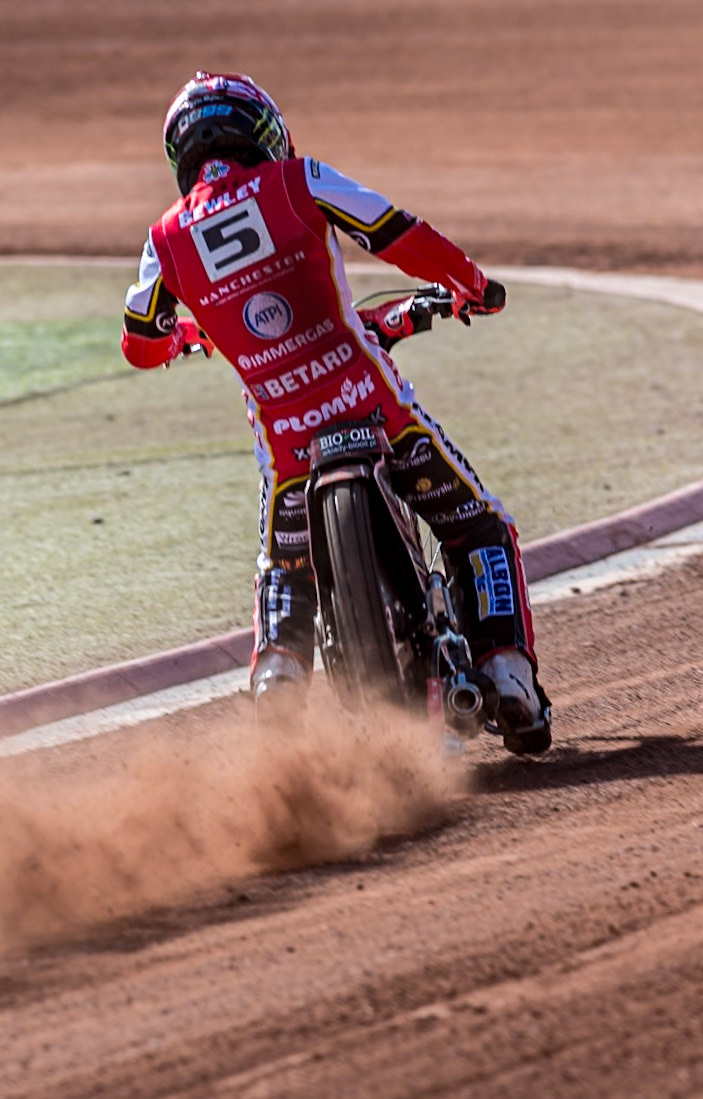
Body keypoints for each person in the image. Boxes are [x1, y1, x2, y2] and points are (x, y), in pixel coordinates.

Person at [119, 71, 551, 754]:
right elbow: (395, 231)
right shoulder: (300, 178)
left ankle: (279, 678)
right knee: (479, 525)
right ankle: (508, 672)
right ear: (263, 129)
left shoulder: (163, 240)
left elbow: (139, 344)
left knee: (284, 570)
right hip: (376, 410)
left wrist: (184, 335)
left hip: (290, 454)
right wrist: (470, 283)